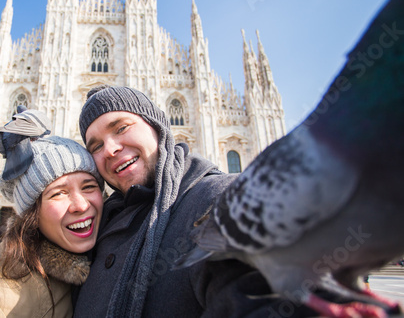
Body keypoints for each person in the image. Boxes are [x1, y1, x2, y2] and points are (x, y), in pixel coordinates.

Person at [73, 85, 319, 317]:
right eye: (96, 146)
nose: (110, 149)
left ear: (157, 127)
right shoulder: (95, 227)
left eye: (121, 128)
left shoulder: (219, 198)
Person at [0, 132, 105, 317]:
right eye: (58, 193)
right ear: (31, 214)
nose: (81, 205)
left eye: (89, 186)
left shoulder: (97, 252)